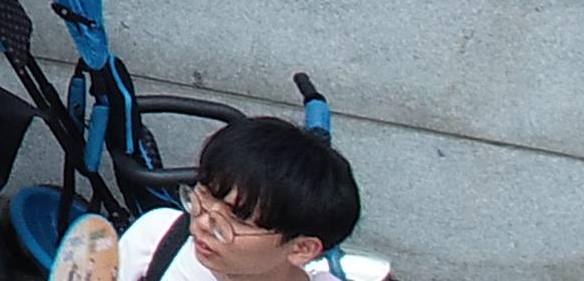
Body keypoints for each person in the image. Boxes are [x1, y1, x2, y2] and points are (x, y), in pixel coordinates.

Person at [46, 112, 372, 281]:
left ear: (301, 248)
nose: (202, 223)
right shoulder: (159, 237)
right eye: (203, 195)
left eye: (235, 218)